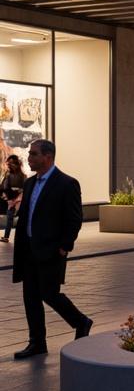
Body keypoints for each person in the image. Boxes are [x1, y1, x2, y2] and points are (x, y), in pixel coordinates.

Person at [12, 139, 91, 359]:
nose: (29, 157)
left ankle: (81, 321)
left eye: (34, 153)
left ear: (48, 156)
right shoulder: (29, 184)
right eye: (29, 153)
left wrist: (64, 247)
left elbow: (75, 218)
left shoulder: (66, 183)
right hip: (28, 249)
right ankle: (37, 342)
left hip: (50, 251)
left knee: (50, 294)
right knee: (31, 297)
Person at [1, 154, 26, 242]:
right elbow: (4, 186)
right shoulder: (10, 175)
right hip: (12, 199)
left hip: (18, 198)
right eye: (9, 163)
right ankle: (7, 237)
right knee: (10, 218)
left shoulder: (22, 175)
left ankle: (17, 237)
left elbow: (25, 187)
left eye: (11, 163)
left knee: (16, 218)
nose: (9, 165)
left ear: (16, 164)